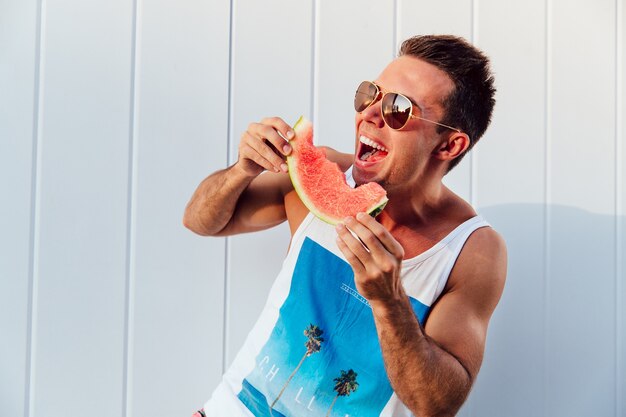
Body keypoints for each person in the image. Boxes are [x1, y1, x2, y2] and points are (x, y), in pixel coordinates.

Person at [184, 35, 507, 417]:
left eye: (398, 109)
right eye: (370, 94)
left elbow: (436, 405)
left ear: (448, 146)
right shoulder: (323, 170)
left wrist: (390, 302)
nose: (369, 114)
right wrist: (242, 170)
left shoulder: (471, 251)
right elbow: (201, 221)